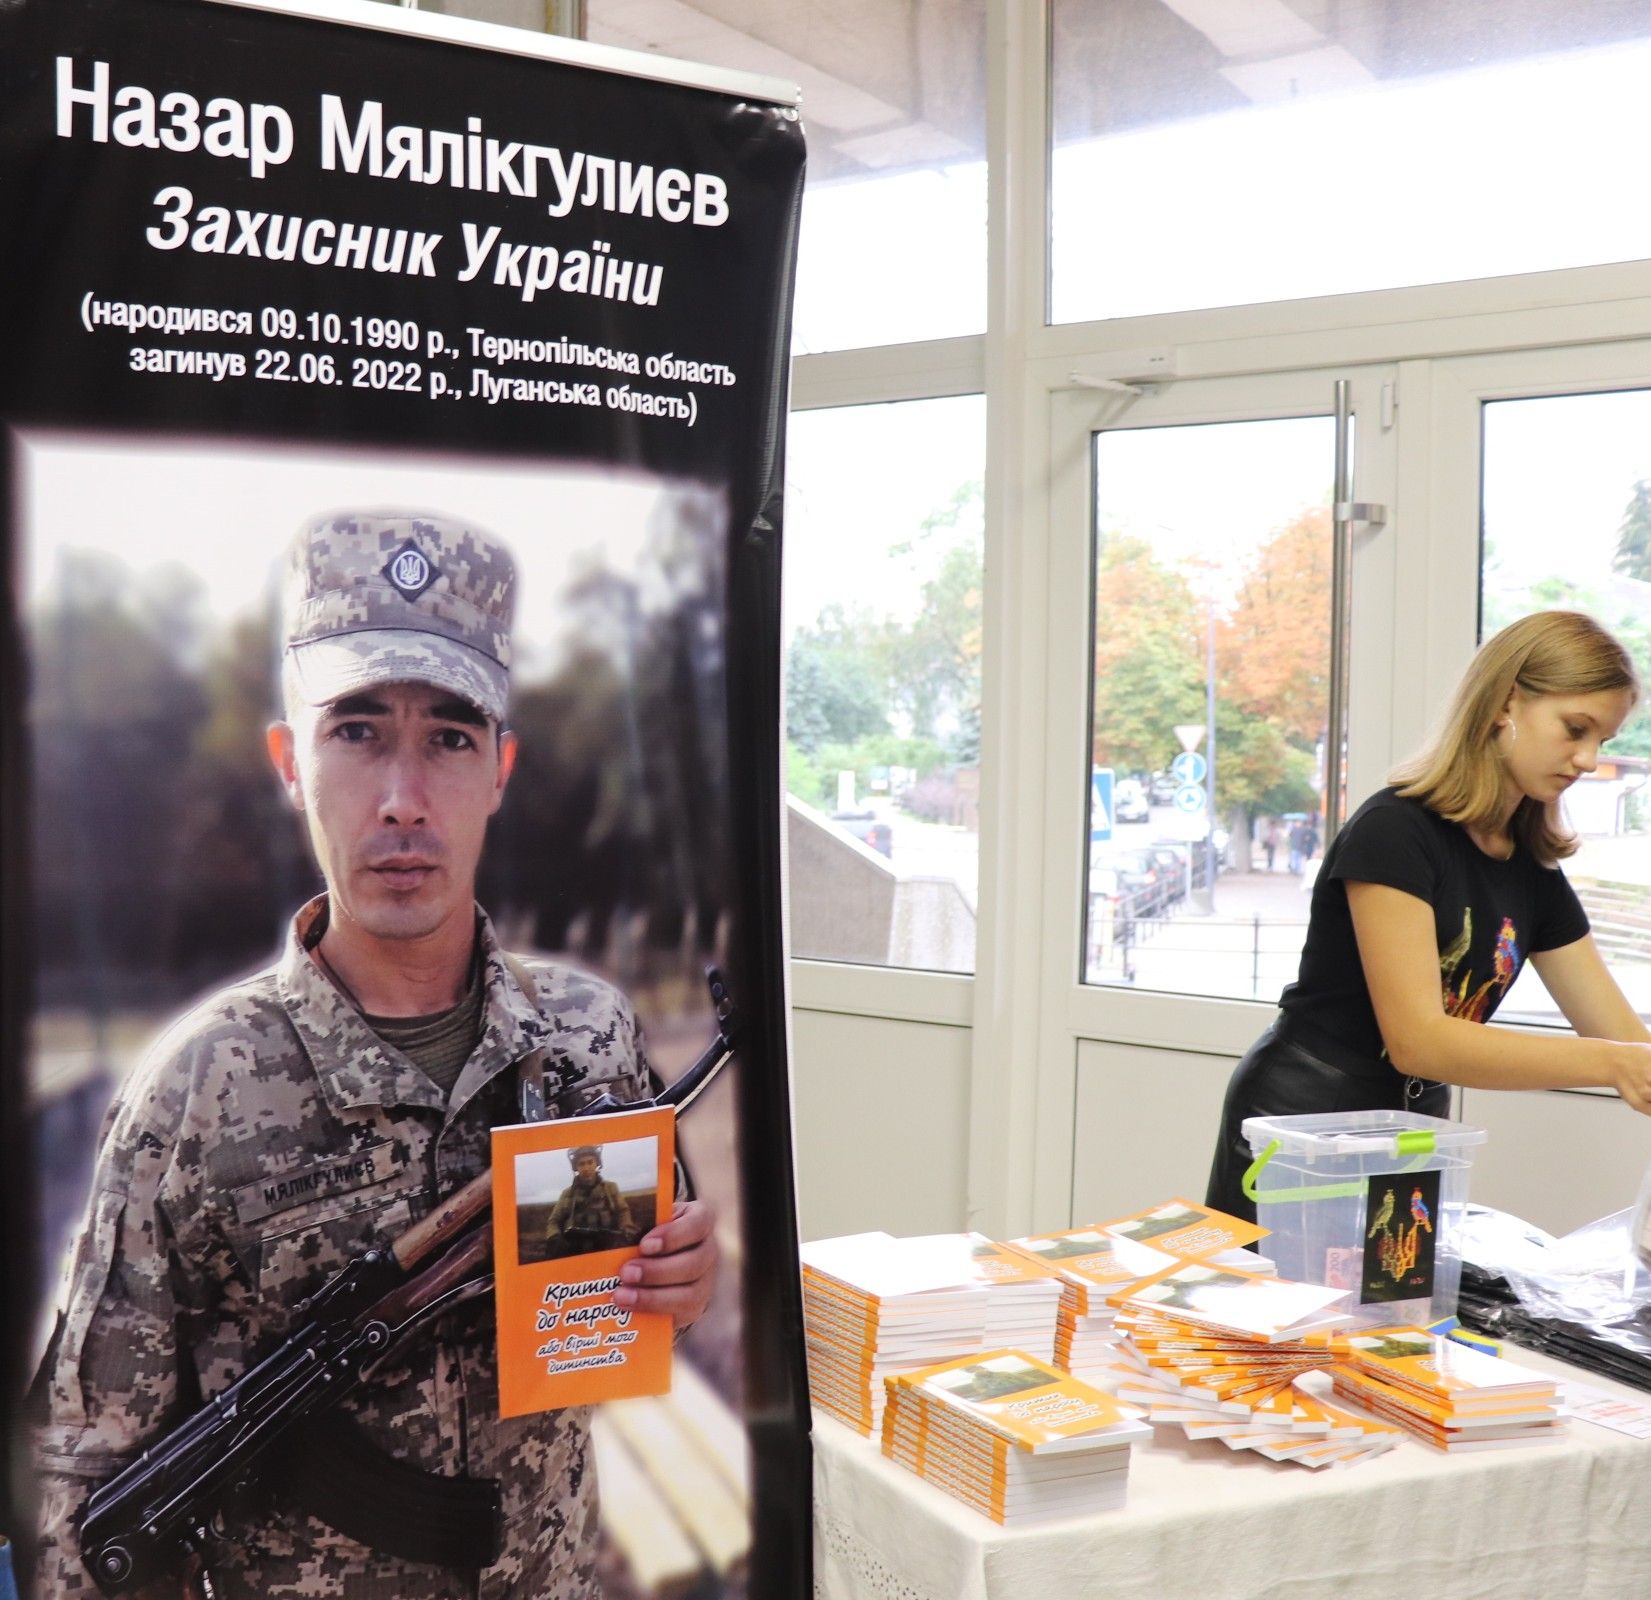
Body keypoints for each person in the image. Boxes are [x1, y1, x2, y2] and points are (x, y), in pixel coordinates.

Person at [34, 511, 718, 1598]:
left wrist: (681, 1279)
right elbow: (82, 1469)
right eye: (357, 732)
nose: (404, 800)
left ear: (501, 767)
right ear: (288, 763)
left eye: (449, 736)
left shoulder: (590, 1036)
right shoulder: (194, 1091)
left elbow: (646, 1271)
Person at [1207, 610, 1651, 1224]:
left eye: (1602, 740)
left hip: (1409, 1126)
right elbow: (1420, 1040)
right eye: (1575, 729)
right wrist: (1614, 1063)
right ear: (1504, 702)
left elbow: (1627, 1040)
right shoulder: (1393, 834)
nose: (1586, 758)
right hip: (1306, 1118)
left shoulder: (1532, 869)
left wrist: (1630, 1060)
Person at [542, 1145, 639, 1259]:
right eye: (581, 1164)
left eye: (590, 1162)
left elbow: (623, 1211)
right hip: (577, 1251)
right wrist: (554, 1237)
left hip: (607, 1248)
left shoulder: (610, 1188)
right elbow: (554, 1221)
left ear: (597, 1163)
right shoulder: (567, 1194)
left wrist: (626, 1229)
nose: (586, 1168)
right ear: (576, 1168)